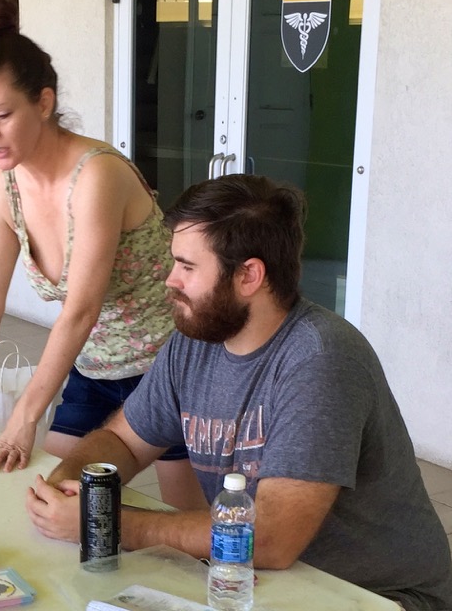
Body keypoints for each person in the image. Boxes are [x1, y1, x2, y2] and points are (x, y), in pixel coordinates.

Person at [26, 173, 452, 611]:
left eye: (187, 267)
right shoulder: (193, 343)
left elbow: (271, 538)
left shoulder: (321, 359)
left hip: (376, 596)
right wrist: (75, 484)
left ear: (249, 275)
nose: (170, 281)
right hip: (261, 582)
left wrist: (112, 525)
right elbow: (122, 442)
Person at [0, 0, 205, 509]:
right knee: (47, 501)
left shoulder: (96, 175)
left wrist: (26, 416)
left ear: (44, 103)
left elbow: (81, 308)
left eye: (2, 114)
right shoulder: (2, 192)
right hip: (94, 368)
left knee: (188, 530)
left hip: (168, 367)